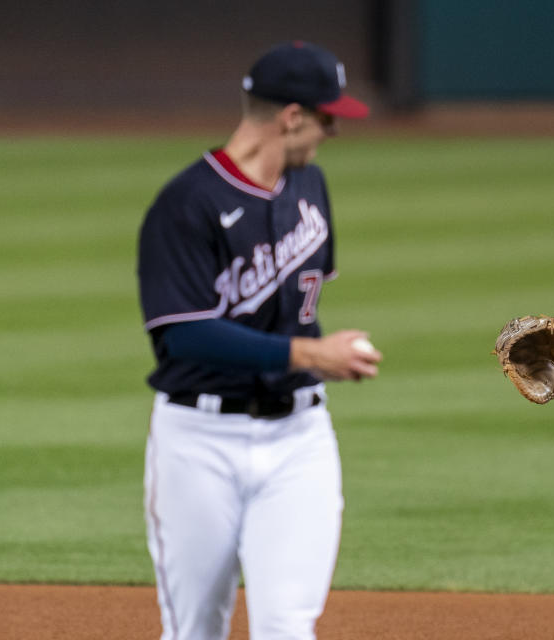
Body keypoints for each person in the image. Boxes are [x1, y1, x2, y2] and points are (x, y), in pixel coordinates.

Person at [136, 41, 381, 640]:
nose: (333, 131)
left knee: (287, 627)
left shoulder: (310, 188)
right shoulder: (186, 203)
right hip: (198, 444)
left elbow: (299, 308)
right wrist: (307, 354)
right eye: (328, 118)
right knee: (194, 628)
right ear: (291, 117)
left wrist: (323, 354)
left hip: (300, 440)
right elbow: (184, 335)